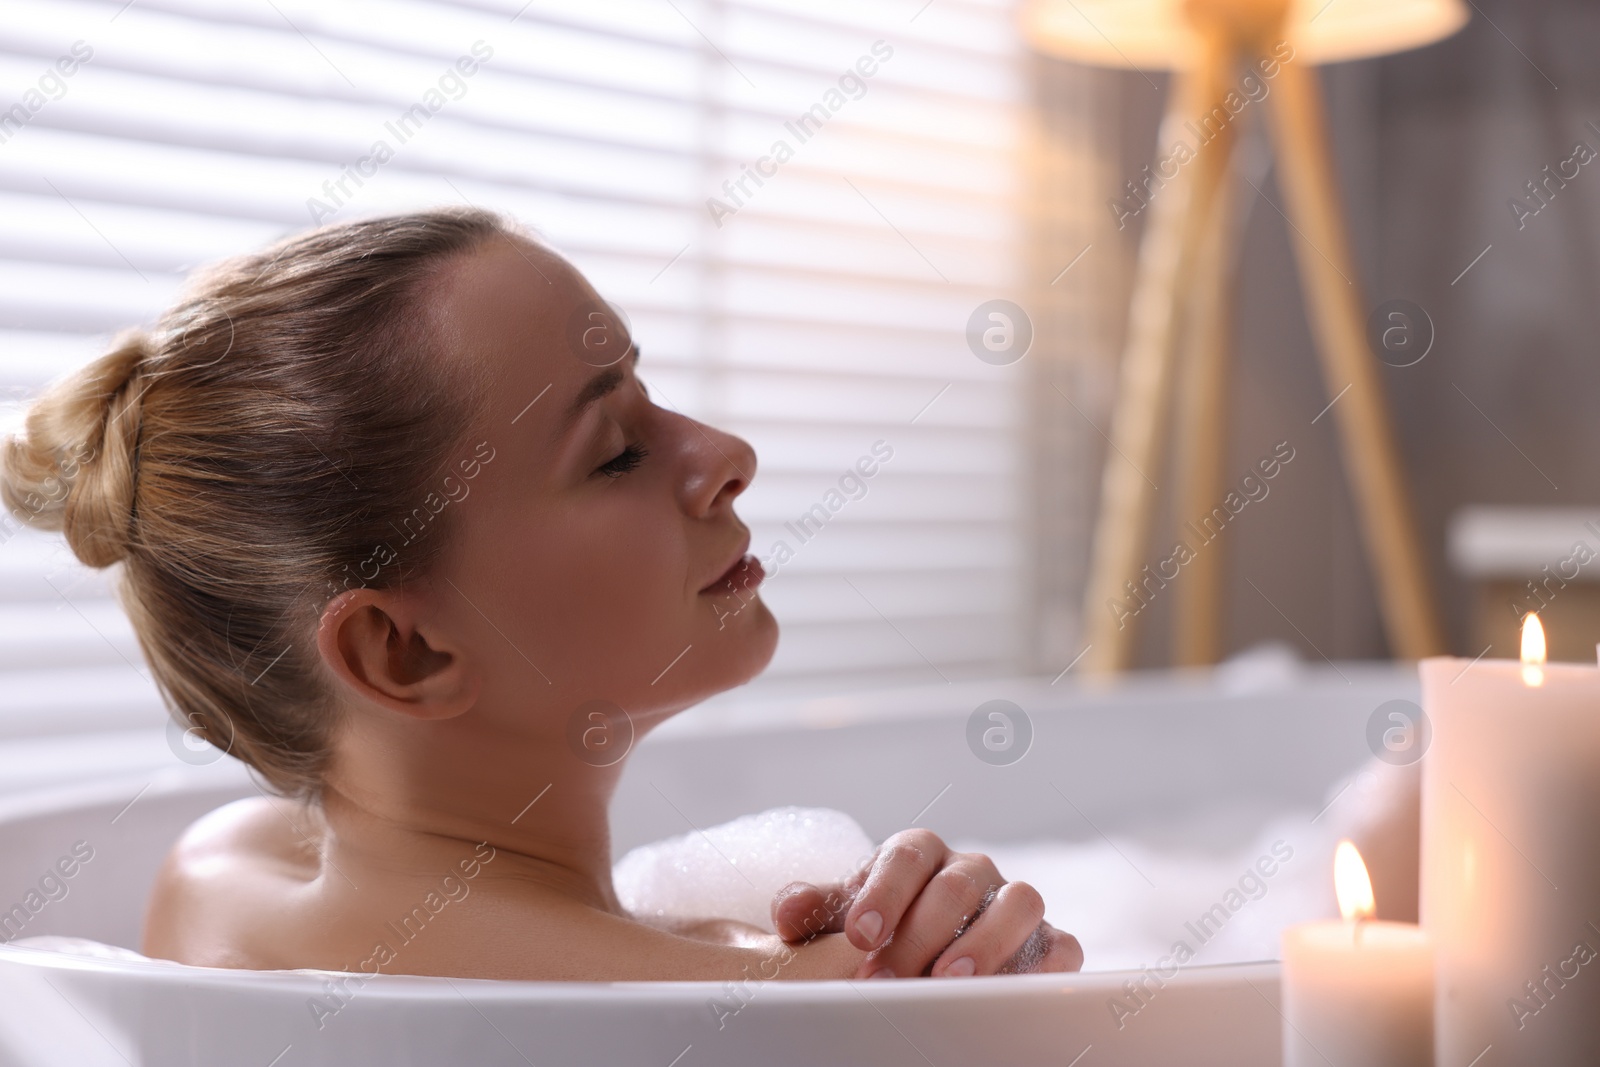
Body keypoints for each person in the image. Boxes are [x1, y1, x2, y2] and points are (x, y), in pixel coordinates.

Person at [0, 207, 1082, 982]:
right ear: (404, 653)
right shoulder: (774, 1005)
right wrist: (946, 977)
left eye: (653, 402)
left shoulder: (225, 872)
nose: (725, 454)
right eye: (614, 452)